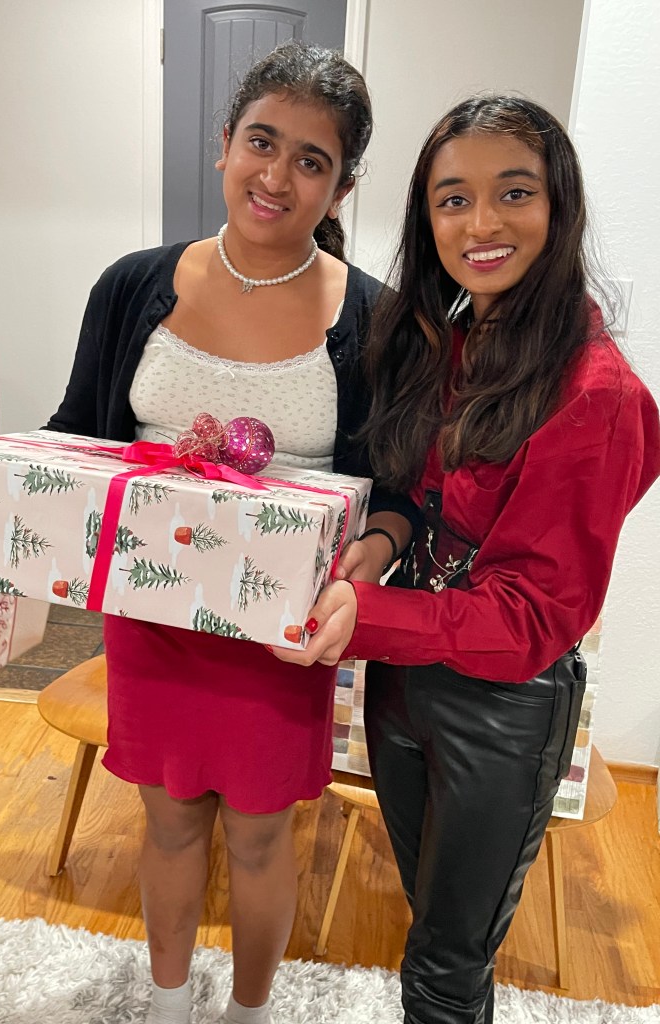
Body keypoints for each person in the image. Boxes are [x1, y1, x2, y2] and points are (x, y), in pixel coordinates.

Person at [270, 96, 660, 1023]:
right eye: (454, 200)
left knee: (447, 969)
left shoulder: (594, 392)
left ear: (559, 205)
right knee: (430, 917)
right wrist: (379, 546)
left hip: (500, 713)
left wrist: (367, 616)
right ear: (427, 216)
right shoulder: (445, 339)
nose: (482, 224)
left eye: (514, 193)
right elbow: (419, 495)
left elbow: (532, 619)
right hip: (405, 685)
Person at [46, 41, 410, 1024]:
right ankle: (168, 1006)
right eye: (262, 141)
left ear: (340, 186)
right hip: (151, 618)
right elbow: (75, 433)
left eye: (310, 160)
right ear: (225, 144)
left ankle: (249, 1013)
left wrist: (368, 561)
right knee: (166, 823)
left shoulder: (375, 320)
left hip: (280, 633)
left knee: (258, 835)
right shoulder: (134, 285)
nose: (276, 176)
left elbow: (399, 494)